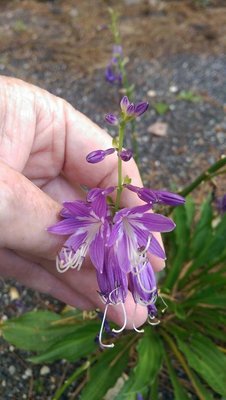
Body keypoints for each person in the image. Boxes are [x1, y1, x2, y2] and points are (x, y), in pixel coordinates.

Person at [0, 76, 165, 328]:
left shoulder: (116, 226)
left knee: (134, 264)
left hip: (108, 226)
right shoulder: (105, 225)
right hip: (102, 225)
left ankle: (144, 298)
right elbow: (65, 223)